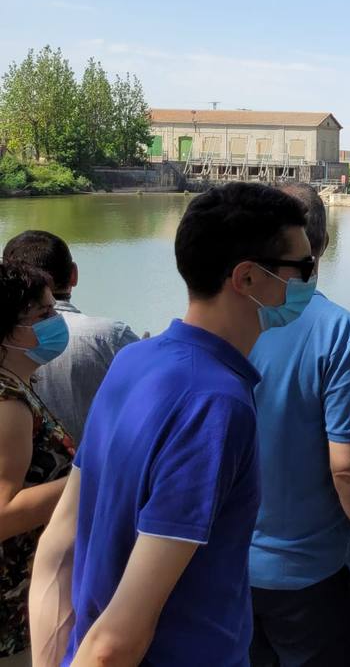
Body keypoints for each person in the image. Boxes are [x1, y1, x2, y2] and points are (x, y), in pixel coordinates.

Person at [29, 182, 313, 667]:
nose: (310, 281)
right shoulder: (217, 406)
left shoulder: (134, 361)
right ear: (246, 278)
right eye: (302, 269)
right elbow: (119, 639)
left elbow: (59, 542)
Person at [249, 184, 350, 667]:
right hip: (310, 580)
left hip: (229, 571)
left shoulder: (229, 317)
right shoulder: (336, 330)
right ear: (322, 244)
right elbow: (349, 470)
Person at [0, 263, 74, 667]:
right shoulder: (7, 404)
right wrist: (91, 475)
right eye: (43, 315)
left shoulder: (17, 388)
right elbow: (3, 513)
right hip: (13, 612)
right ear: (9, 330)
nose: (56, 322)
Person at [2, 231, 141, 444]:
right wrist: (87, 470)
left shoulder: (22, 379)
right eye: (46, 313)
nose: (57, 318)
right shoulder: (110, 337)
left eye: (52, 311)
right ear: (73, 274)